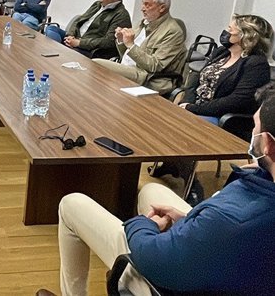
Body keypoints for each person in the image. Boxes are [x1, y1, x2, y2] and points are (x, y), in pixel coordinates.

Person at [48, 86, 275, 296]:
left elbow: (154, 258)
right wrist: (193, 220)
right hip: (224, 253)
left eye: (254, 128)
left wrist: (141, 224)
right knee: (151, 191)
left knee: (71, 204)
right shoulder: (260, 188)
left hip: (168, 281)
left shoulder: (233, 220)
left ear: (267, 144)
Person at [152, 14, 273, 203]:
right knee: (165, 117)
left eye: (231, 29)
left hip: (225, 117)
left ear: (245, 36)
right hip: (197, 108)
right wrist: (187, 102)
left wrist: (193, 108)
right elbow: (195, 80)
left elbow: (237, 100)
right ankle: (173, 164)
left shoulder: (256, 64)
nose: (226, 32)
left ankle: (191, 184)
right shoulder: (222, 52)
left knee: (183, 126)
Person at [93, 0, 186, 94]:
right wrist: (121, 40)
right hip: (127, 67)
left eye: (147, 5)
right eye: (143, 4)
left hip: (146, 76)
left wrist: (130, 45)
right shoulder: (141, 24)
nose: (142, 9)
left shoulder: (172, 31)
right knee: (95, 68)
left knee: (96, 64)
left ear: (162, 8)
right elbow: (126, 55)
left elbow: (155, 66)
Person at [45, 0, 132, 58]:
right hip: (75, 38)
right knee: (51, 29)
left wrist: (79, 43)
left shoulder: (121, 15)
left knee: (62, 50)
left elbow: (108, 42)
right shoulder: (97, 5)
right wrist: (70, 35)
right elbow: (79, 20)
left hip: (89, 49)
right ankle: (61, 50)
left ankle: (59, 52)